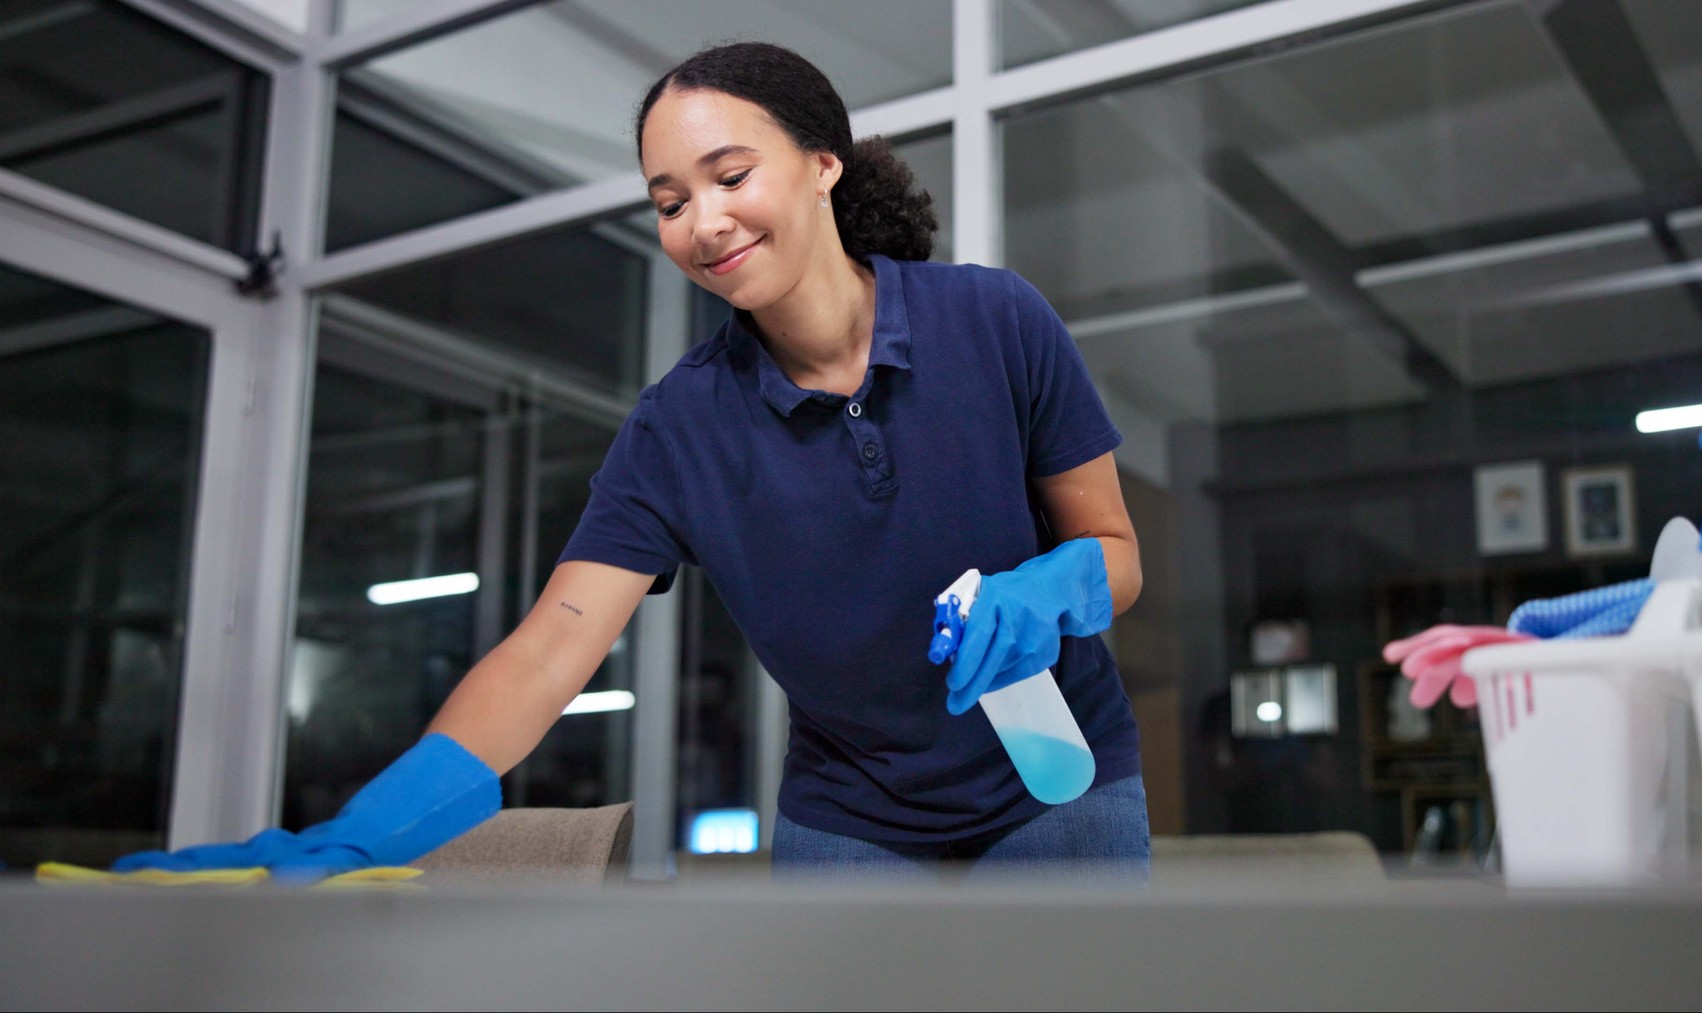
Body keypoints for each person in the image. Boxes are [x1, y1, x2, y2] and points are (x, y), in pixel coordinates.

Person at [115, 42, 1147, 882]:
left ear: (823, 162)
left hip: (1058, 779)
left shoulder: (995, 320)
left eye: (730, 176)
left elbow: (1113, 547)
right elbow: (549, 650)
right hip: (854, 813)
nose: (704, 223)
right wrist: (381, 817)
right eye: (667, 201)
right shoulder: (679, 427)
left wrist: (1054, 587)